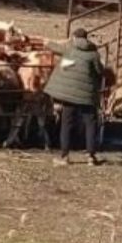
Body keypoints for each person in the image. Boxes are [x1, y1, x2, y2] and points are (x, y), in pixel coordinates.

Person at [44, 28, 107, 166]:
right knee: (90, 124)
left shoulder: (69, 48)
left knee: (66, 124)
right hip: (87, 96)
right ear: (86, 38)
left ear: (74, 37)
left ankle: (64, 157)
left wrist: (47, 41)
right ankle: (90, 156)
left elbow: (52, 47)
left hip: (69, 96)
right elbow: (101, 71)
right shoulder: (93, 53)